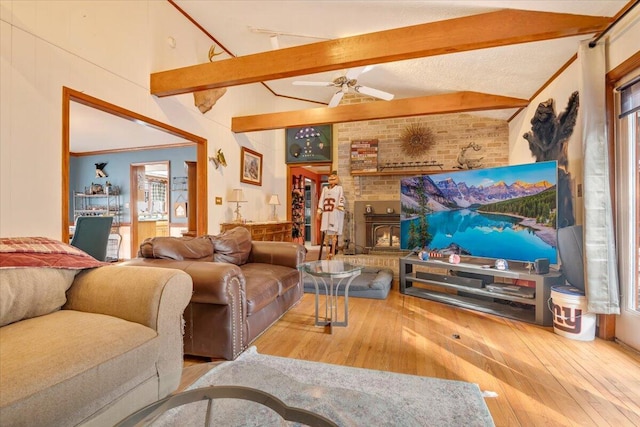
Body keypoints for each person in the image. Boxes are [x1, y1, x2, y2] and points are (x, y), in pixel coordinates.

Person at [317, 171, 345, 259]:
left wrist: (340, 206)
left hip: (334, 212)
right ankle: (326, 254)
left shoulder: (339, 188)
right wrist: (319, 211)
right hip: (326, 213)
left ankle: (332, 253)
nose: (332, 178)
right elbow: (321, 200)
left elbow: (341, 198)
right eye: (330, 177)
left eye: (334, 176)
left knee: (334, 233)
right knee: (326, 233)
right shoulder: (325, 189)